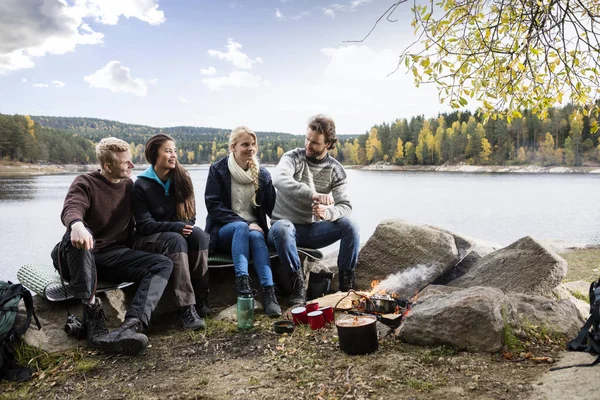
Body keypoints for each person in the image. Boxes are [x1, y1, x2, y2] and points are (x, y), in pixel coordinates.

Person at [51, 137, 173, 356]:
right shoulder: (85, 182)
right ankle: (94, 322)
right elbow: (72, 206)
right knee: (80, 237)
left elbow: (146, 219)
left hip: (111, 256)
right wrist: (76, 224)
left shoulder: (129, 186)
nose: (132, 165)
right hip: (77, 255)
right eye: (126, 162)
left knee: (162, 264)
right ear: (107, 166)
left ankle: (131, 325)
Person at [268, 114, 360, 305]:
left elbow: (346, 206)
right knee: (283, 228)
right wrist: (313, 194)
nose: (308, 145)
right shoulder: (293, 157)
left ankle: (346, 286)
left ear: (328, 145)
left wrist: (329, 213)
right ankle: (298, 286)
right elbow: (279, 179)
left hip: (311, 232)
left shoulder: (336, 169)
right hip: (282, 229)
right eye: (307, 139)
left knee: (350, 225)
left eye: (315, 143)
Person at [132, 134, 210, 330]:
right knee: (176, 240)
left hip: (174, 234)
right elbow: (144, 225)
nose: (173, 155)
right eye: (168, 151)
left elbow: (190, 216)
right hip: (148, 239)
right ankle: (186, 308)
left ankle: (201, 298)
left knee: (199, 235)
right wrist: (175, 227)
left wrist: (183, 227)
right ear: (154, 155)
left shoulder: (182, 178)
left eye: (174, 150)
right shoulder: (140, 185)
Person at [204, 126, 281, 317]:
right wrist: (246, 223)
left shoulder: (262, 175)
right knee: (241, 227)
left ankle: (269, 294)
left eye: (253, 144)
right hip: (224, 232)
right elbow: (213, 206)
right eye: (245, 144)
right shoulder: (218, 170)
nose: (250, 148)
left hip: (254, 231)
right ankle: (243, 286)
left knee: (255, 236)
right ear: (233, 147)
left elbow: (273, 209)